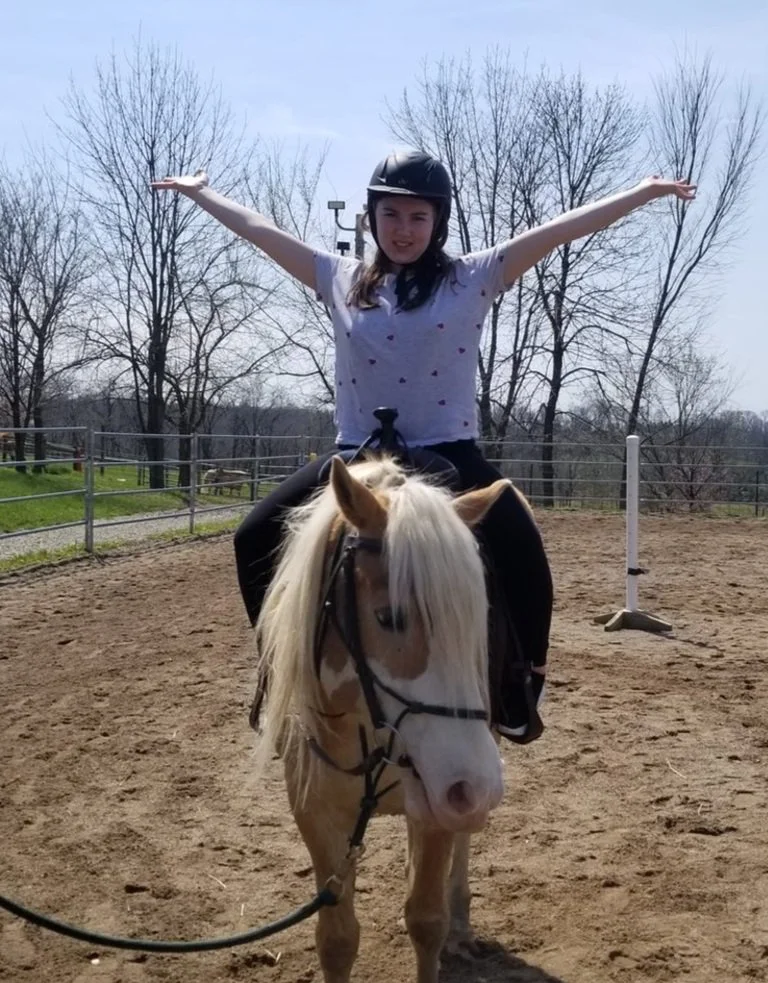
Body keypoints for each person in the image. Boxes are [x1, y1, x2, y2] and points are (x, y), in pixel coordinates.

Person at [152, 152, 695, 742]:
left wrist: (641, 192)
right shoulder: (338, 277)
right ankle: (280, 667)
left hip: (448, 451)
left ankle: (522, 685)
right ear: (372, 218)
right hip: (358, 455)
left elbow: (562, 229)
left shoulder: (474, 277)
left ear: (438, 222)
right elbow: (260, 231)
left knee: (522, 547)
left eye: (417, 217)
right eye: (391, 215)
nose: (404, 229)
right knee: (253, 535)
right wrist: (201, 193)